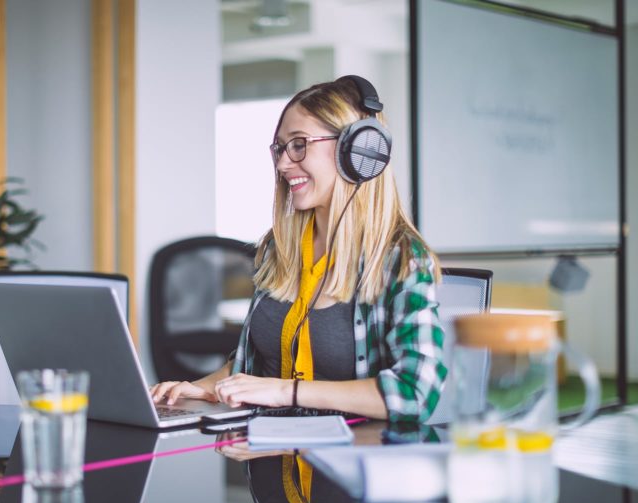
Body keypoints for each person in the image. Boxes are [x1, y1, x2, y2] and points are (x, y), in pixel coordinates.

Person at [150, 75, 446, 424]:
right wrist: (207, 387)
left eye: (300, 144)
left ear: (359, 151)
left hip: (353, 465)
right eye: (280, 147)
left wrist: (285, 390)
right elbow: (258, 359)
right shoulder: (279, 247)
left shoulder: (401, 259)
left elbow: (416, 393)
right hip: (270, 458)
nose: (283, 164)